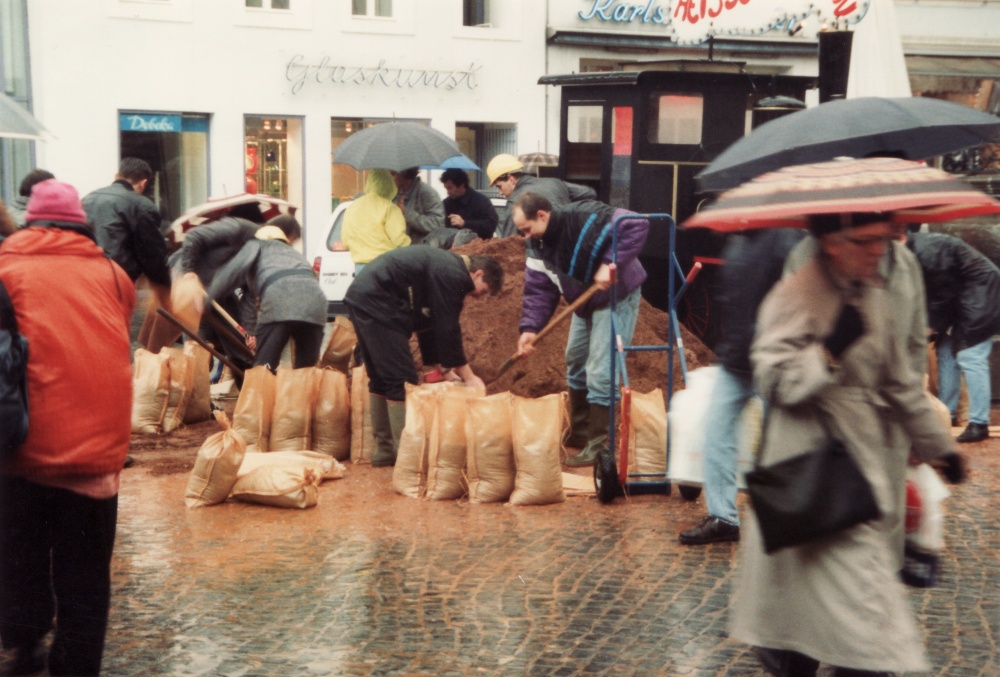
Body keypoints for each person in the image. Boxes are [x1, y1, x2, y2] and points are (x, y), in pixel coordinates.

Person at [732, 212, 966, 677]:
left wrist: (942, 447)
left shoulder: (875, 291)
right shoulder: (797, 290)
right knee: (855, 613)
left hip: (863, 462)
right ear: (833, 242)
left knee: (854, 606)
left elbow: (901, 380)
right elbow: (773, 380)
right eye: (867, 241)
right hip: (811, 464)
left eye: (884, 239)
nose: (880, 249)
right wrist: (826, 354)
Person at [0, 179, 136, 676]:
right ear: (82, 223)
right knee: (85, 572)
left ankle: (24, 639)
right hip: (98, 457)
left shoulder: (5, 267)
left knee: (20, 554)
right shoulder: (113, 273)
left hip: (24, 453)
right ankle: (77, 665)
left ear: (30, 220)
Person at [678, 228, 805, 546]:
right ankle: (723, 518)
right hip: (735, 360)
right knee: (717, 434)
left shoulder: (791, 241)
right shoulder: (737, 245)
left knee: (782, 440)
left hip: (773, 359)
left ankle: (792, 513)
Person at [512, 192, 649, 467]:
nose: (525, 236)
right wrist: (530, 327)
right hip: (584, 301)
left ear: (542, 215)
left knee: (601, 369)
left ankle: (599, 446)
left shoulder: (583, 216)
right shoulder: (537, 246)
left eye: (527, 229)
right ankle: (580, 431)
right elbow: (539, 290)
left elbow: (636, 223)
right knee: (575, 359)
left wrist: (611, 263)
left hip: (615, 295)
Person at [344, 247, 503, 467]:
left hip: (364, 296)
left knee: (382, 377)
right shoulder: (454, 274)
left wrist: (445, 370)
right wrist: (468, 376)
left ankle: (385, 451)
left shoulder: (444, 268)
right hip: (378, 301)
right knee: (402, 379)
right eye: (483, 291)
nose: (477, 297)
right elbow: (448, 327)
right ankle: (406, 456)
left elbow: (429, 323)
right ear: (478, 274)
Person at [905, 230, 1000, 443]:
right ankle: (947, 412)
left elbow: (941, 292)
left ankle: (979, 423)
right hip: (961, 301)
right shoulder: (914, 249)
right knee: (946, 352)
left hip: (979, 298)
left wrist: (930, 326)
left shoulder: (927, 249)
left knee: (971, 356)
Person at [204, 218, 325, 372]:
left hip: (279, 301)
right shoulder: (294, 254)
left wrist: (206, 299)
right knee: (305, 372)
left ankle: (263, 392)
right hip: (316, 306)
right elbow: (310, 283)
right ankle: (304, 394)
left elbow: (230, 276)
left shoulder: (254, 246)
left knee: (263, 370)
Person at [82, 157, 171, 289]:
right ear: (143, 183)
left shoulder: (87, 198)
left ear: (117, 176)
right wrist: (164, 285)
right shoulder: (141, 205)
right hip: (116, 280)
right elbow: (151, 254)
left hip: (83, 276)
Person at [486, 153, 595, 237]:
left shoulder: (516, 203)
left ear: (511, 179)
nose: (500, 192)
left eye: (499, 186)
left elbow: (508, 244)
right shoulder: (554, 182)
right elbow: (589, 193)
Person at [342, 168, 410, 266]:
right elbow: (399, 240)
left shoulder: (352, 207)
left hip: (360, 267)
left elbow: (346, 241)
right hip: (384, 265)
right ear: (389, 184)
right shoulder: (389, 208)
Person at [429, 167, 498, 247]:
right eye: (446, 188)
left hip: (478, 249)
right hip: (451, 249)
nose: (448, 192)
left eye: (450, 188)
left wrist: (465, 223)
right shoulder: (446, 204)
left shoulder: (481, 201)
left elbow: (490, 225)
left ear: (462, 185)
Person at [391, 167, 445, 244]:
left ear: (403, 174)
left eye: (393, 174)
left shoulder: (427, 193)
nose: (390, 178)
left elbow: (437, 224)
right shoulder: (396, 193)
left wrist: (406, 213)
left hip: (420, 249)